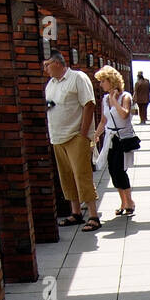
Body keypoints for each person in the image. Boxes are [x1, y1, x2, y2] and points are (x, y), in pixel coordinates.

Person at [44, 50, 101, 231]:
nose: (45, 68)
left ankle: (93, 215)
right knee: (66, 177)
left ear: (58, 63)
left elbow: (89, 104)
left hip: (76, 135)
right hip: (57, 137)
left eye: (47, 64)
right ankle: (76, 212)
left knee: (82, 174)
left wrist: (83, 134)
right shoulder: (50, 84)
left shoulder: (77, 78)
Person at [95, 65, 138, 217]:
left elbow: (125, 115)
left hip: (123, 138)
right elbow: (103, 120)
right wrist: (96, 134)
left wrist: (114, 100)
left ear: (110, 81)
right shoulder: (104, 99)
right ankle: (123, 201)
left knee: (120, 170)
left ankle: (130, 201)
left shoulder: (125, 97)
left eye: (102, 81)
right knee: (113, 171)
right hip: (110, 137)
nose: (100, 84)